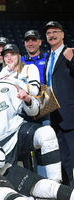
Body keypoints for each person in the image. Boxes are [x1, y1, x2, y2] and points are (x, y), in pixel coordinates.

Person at [44, 21, 74, 187]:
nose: (52, 35)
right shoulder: (49, 57)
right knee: (64, 157)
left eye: (55, 31)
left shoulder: (70, 53)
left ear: (63, 34)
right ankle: (71, 191)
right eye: (48, 33)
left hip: (71, 114)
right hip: (55, 114)